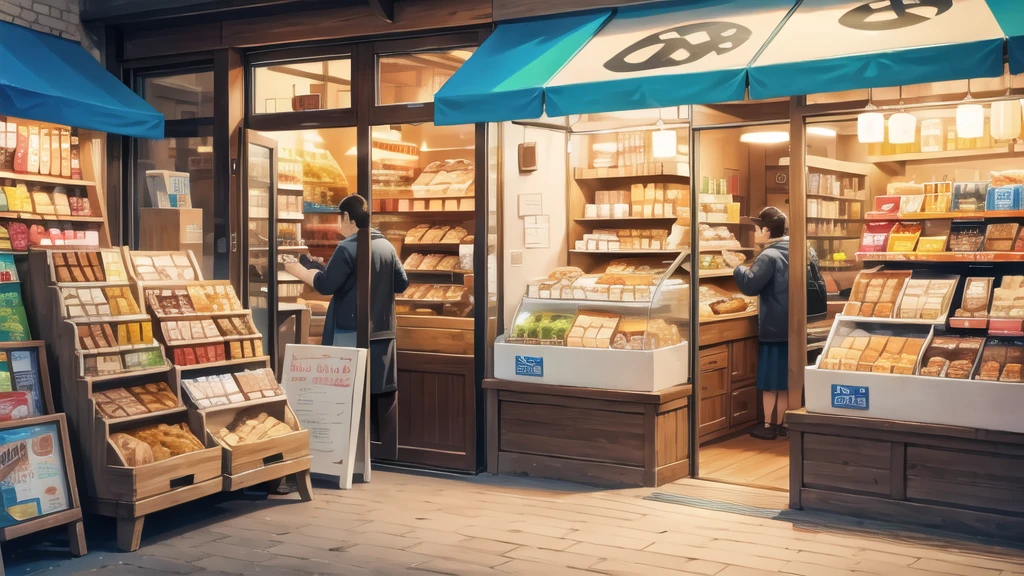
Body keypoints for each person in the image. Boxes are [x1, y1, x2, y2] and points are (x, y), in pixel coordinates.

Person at [285, 195, 409, 446]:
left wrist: (299, 272)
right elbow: (401, 283)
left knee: (347, 392)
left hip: (349, 332)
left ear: (346, 218)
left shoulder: (347, 247)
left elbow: (326, 285)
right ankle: (377, 449)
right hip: (383, 332)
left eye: (338, 219)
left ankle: (347, 448)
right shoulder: (385, 245)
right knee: (379, 391)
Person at [723, 206, 791, 440]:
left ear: (766, 231)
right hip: (795, 326)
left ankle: (768, 425)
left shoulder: (768, 256)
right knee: (786, 379)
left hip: (774, 325)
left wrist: (736, 266)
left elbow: (750, 286)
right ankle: (785, 423)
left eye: (756, 229)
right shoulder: (799, 249)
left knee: (770, 379)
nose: (755, 234)